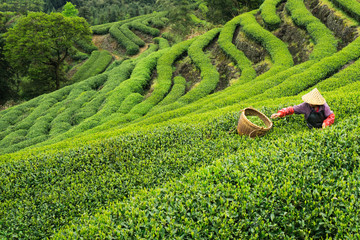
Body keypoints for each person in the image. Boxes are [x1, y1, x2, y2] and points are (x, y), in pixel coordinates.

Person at [271, 88, 335, 129]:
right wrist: (280, 113)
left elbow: (331, 116)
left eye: (312, 102)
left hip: (323, 125)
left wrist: (326, 123)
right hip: (311, 127)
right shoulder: (305, 105)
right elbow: (292, 109)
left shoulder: (324, 106)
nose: (310, 103)